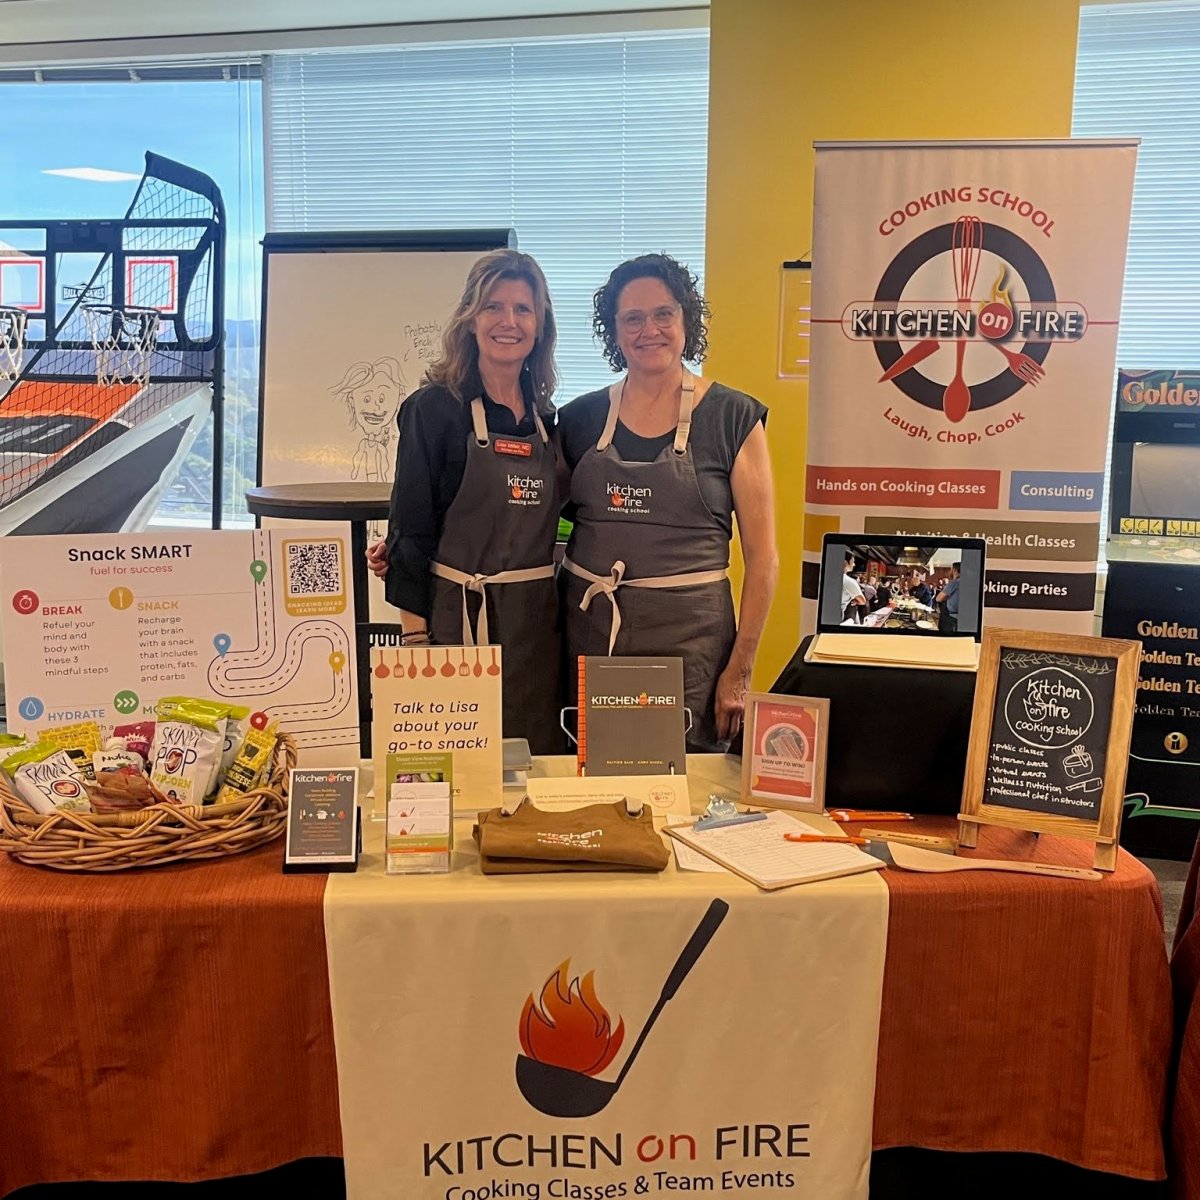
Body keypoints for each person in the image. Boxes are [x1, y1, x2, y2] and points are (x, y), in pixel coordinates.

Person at [558, 253, 778, 753]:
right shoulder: (579, 419)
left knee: (684, 793)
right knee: (595, 787)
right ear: (614, 330)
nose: (648, 329)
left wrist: (739, 671)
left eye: (664, 314)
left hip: (691, 650)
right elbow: (527, 514)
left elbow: (764, 561)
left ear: (687, 320)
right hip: (592, 637)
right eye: (632, 318)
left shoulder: (733, 418)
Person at [366, 250, 564, 754]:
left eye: (523, 309)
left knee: (531, 766)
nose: (509, 322)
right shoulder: (432, 410)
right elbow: (410, 533)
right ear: (470, 319)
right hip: (454, 628)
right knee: (453, 777)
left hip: (536, 632)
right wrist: (416, 646)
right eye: (493, 307)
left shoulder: (547, 419)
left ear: (540, 324)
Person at [936, 562, 961, 633]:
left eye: (951, 569)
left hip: (950, 618)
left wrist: (947, 597)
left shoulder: (954, 582)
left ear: (954, 570)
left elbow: (938, 598)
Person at [841, 553, 866, 622]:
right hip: (839, 615)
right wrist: (856, 601)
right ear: (845, 562)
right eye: (853, 562)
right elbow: (863, 601)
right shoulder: (848, 581)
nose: (854, 564)